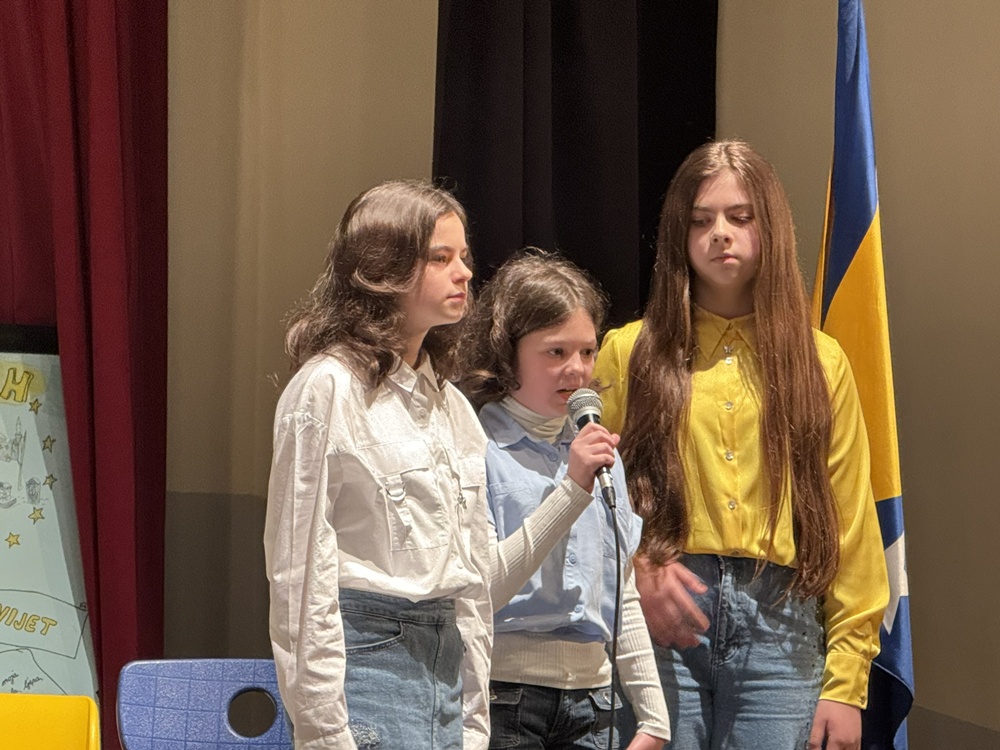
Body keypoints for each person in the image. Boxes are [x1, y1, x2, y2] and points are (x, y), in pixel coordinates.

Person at [592, 141, 889, 750]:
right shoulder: (628, 352)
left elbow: (851, 522)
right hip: (662, 620)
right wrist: (637, 567)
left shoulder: (820, 362)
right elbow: (587, 497)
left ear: (769, 227)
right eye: (700, 220)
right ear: (678, 235)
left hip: (781, 627)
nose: (720, 233)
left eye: (740, 216)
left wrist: (846, 682)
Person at [264, 180, 493, 750]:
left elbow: (473, 578)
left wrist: (475, 716)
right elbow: (300, 572)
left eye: (464, 256)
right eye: (440, 258)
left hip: (444, 665)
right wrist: (322, 731)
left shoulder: (454, 408)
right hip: (367, 666)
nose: (464, 272)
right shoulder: (327, 389)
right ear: (382, 268)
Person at [459, 251, 671, 750]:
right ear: (507, 352)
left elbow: (620, 590)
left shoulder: (600, 454)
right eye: (555, 352)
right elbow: (483, 590)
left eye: (587, 352)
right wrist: (572, 490)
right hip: (504, 695)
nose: (577, 370)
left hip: (594, 701)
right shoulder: (476, 446)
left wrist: (654, 717)